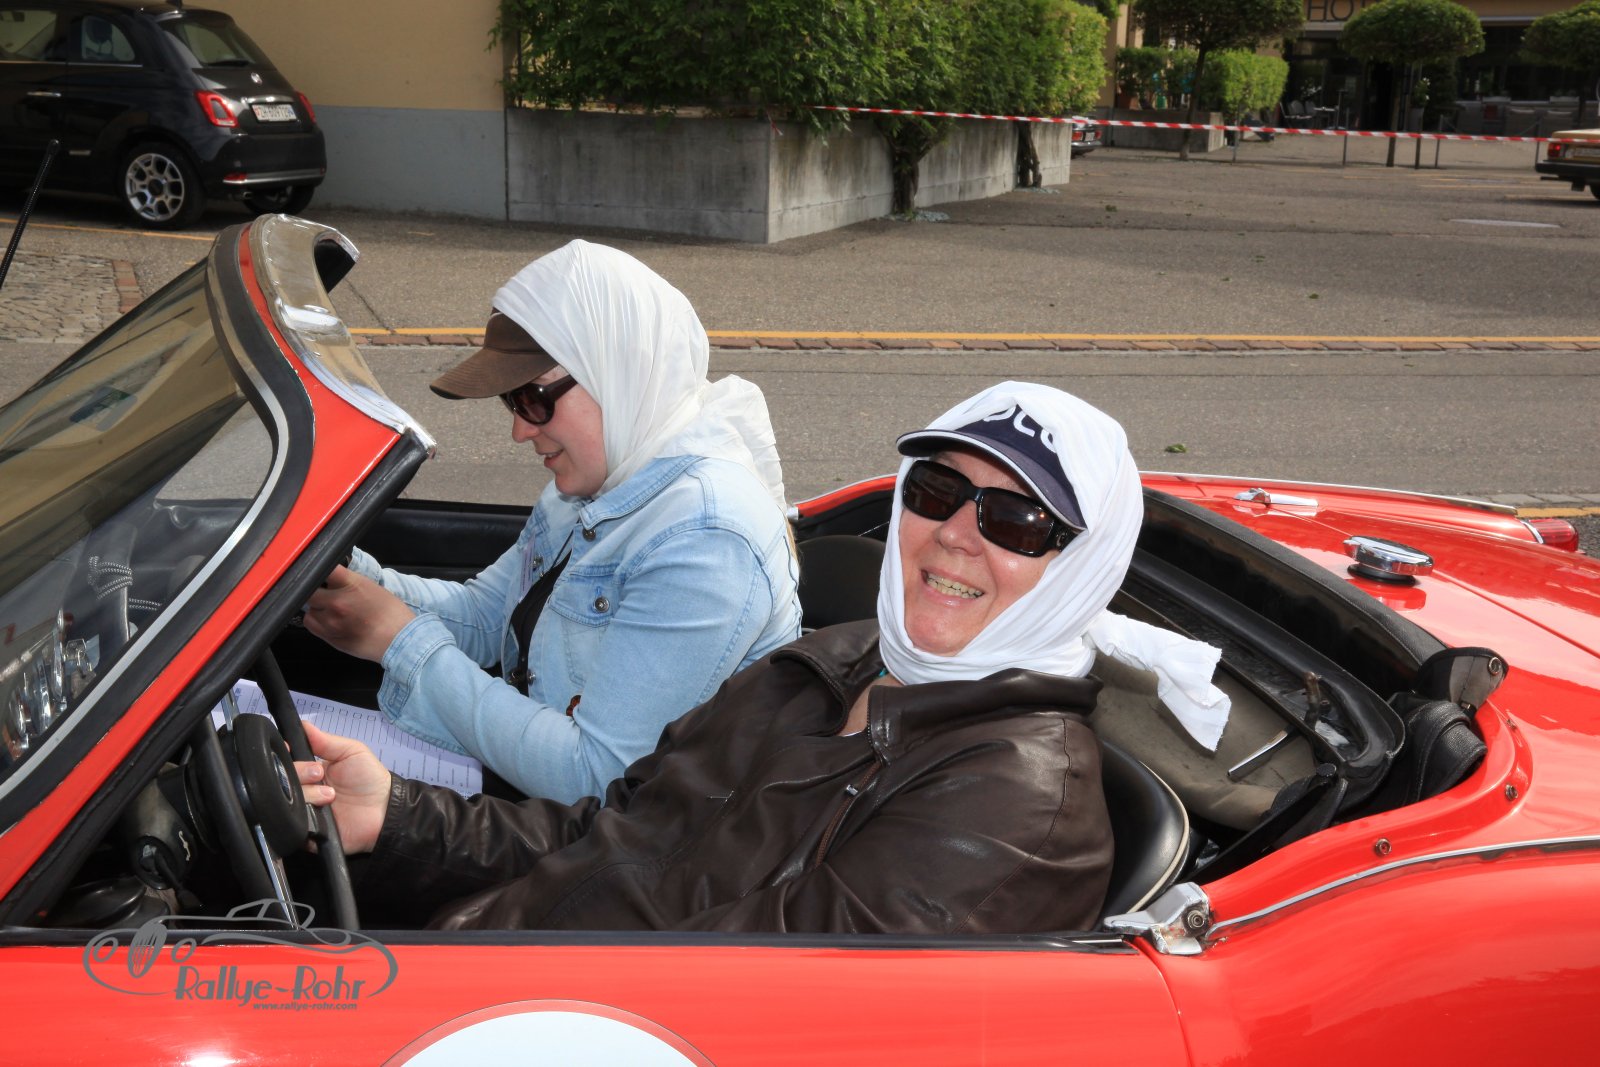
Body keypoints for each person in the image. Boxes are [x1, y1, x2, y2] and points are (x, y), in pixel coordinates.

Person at [299, 382, 1229, 935]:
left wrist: (462, 972)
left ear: (1080, 568)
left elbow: (740, 1001)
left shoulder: (1013, 808)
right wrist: (400, 815)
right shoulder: (838, 657)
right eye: (938, 488)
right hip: (495, 956)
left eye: (1017, 520)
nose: (954, 533)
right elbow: (613, 826)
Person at [302, 240, 801, 802]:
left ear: (616, 372)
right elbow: (486, 617)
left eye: (533, 398)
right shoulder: (597, 481)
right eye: (511, 402)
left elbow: (599, 779)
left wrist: (400, 641)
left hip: (638, 839)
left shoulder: (706, 537)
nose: (520, 430)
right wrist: (354, 576)